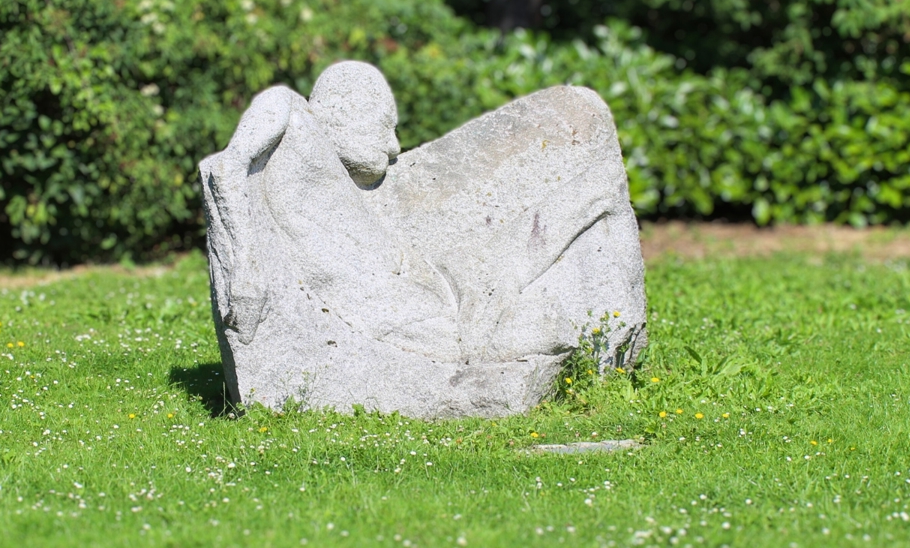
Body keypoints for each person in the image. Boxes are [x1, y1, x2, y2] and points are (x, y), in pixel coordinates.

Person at [202, 61, 634, 364]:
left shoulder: (335, 177)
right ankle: (594, 199)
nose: (393, 146)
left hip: (424, 295)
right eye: (384, 125)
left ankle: (595, 197)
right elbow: (227, 166)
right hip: (412, 317)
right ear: (345, 108)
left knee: (508, 268)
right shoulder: (290, 112)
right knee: (523, 304)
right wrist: (247, 266)